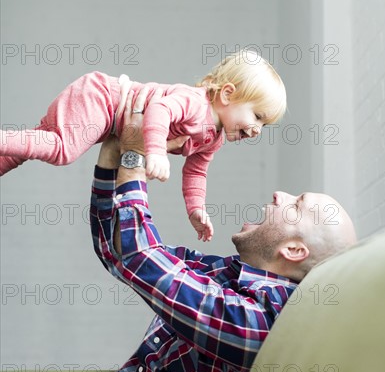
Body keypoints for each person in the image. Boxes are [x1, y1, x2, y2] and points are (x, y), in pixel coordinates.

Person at [0, 88, 357, 372]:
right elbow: (119, 253)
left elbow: (140, 257)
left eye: (295, 205)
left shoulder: (260, 320)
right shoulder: (226, 275)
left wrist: (135, 159)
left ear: (294, 250)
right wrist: (114, 153)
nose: (280, 194)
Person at [0, 50, 286, 241]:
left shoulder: (213, 138)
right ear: (227, 94)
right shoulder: (195, 102)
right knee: (62, 149)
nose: (257, 129)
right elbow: (159, 110)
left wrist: (196, 208)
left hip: (108, 117)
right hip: (103, 98)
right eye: (257, 116)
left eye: (264, 125)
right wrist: (156, 151)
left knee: (33, 144)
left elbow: (196, 173)